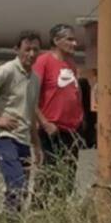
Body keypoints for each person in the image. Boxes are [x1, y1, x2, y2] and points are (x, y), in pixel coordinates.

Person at [0, 30, 42, 213]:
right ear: (16, 50)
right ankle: (8, 220)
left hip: (23, 138)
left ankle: (13, 220)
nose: (31, 54)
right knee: (16, 181)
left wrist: (37, 145)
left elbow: (31, 112)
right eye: (27, 49)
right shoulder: (8, 70)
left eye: (35, 50)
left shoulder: (35, 79)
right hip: (4, 137)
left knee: (22, 188)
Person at [32, 23, 85, 201]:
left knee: (67, 178)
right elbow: (31, 96)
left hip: (72, 130)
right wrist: (45, 123)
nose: (74, 43)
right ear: (56, 41)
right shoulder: (44, 61)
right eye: (69, 39)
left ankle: (60, 210)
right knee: (48, 175)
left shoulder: (70, 63)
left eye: (74, 39)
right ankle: (38, 210)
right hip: (52, 130)